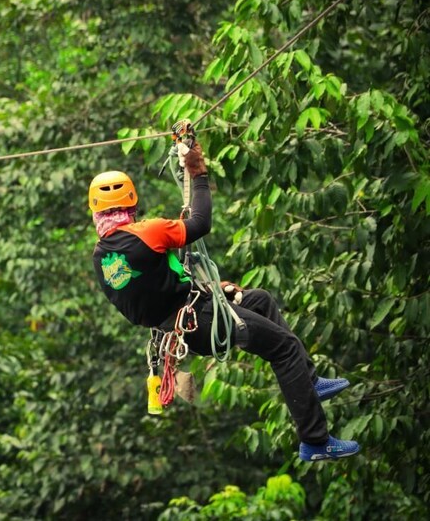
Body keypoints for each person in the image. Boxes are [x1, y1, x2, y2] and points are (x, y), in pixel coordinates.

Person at [88, 135, 360, 461]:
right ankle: (315, 441)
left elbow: (154, 285)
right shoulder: (147, 232)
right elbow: (201, 223)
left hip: (182, 326)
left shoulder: (101, 256)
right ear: (132, 203)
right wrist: (198, 173)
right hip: (200, 320)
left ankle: (309, 381)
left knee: (258, 299)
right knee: (284, 349)